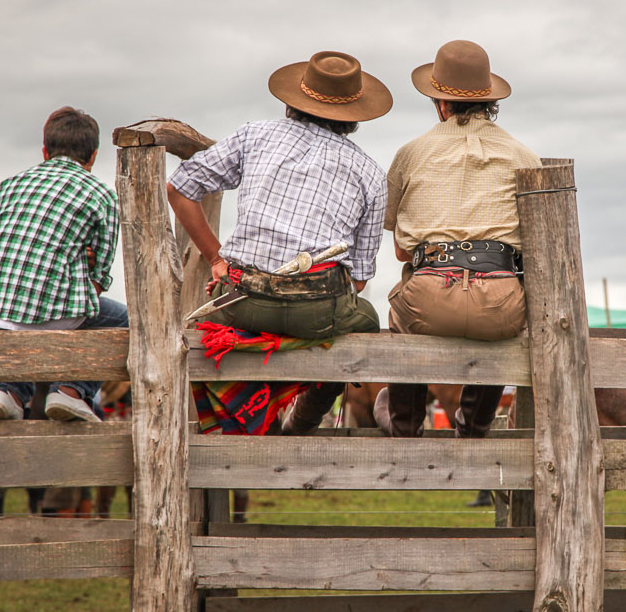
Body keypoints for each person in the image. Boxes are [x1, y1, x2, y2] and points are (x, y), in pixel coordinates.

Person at [168, 51, 390, 435]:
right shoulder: (370, 171)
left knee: (207, 322)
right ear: (354, 114)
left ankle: (245, 408)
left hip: (241, 301)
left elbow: (180, 188)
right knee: (367, 319)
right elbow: (358, 279)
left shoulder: (255, 135)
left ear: (294, 101)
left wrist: (216, 258)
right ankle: (304, 417)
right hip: (318, 311)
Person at [374, 39, 539, 439]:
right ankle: (475, 425)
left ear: (441, 103)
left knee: (401, 317)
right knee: (504, 331)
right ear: (489, 101)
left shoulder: (410, 154)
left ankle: (405, 425)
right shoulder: (523, 156)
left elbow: (399, 248)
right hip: (499, 296)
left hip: (430, 291)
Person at [0, 107, 127, 422]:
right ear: (93, 156)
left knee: (20, 311)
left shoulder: (8, 185)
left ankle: (10, 392)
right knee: (126, 321)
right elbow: (98, 278)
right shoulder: (101, 195)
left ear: (44, 151)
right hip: (50, 314)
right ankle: (71, 391)